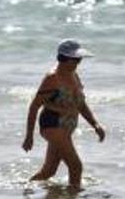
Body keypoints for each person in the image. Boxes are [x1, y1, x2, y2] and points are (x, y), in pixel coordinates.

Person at [22, 40, 105, 190]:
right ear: (63, 59)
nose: (79, 63)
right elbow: (34, 107)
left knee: (48, 172)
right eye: (76, 59)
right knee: (76, 166)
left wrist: (95, 124)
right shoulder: (52, 79)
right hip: (53, 124)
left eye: (80, 59)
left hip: (68, 126)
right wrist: (29, 136)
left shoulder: (74, 75)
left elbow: (80, 104)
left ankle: (26, 190)